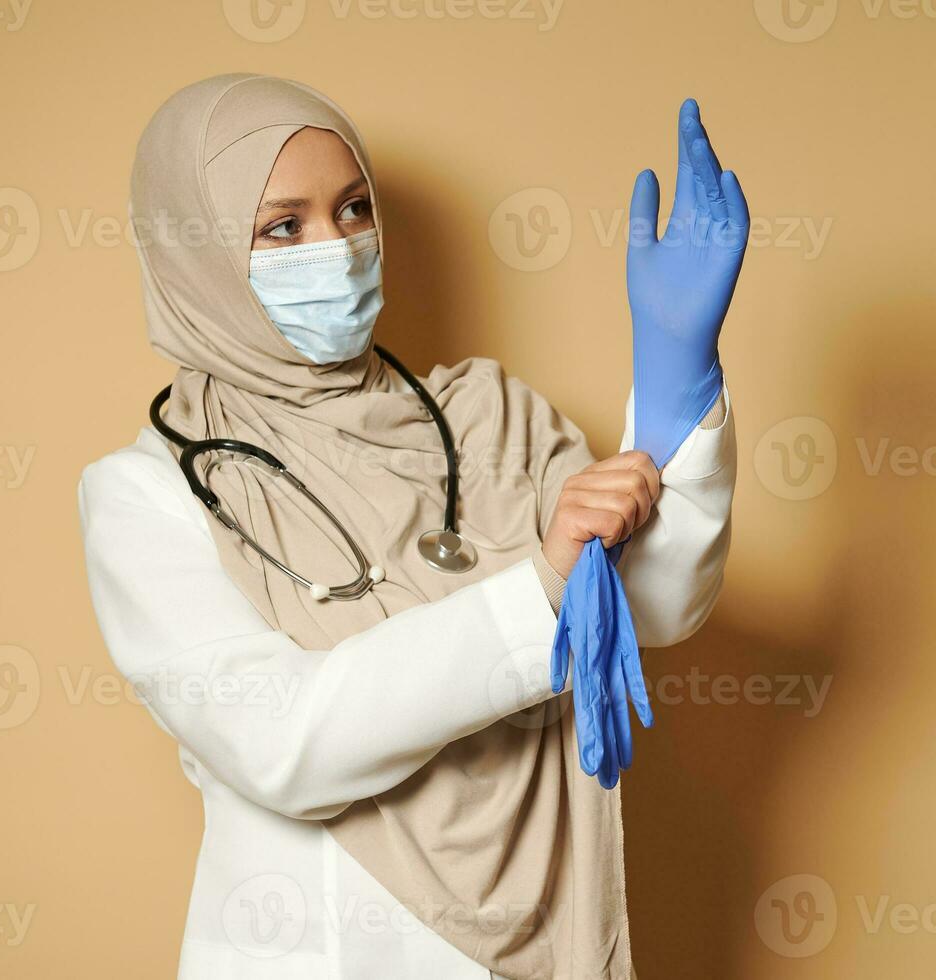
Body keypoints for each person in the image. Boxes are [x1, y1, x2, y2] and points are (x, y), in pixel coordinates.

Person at [78, 73, 741, 980]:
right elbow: (284, 745)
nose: (338, 248)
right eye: (284, 227)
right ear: (189, 249)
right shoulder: (146, 493)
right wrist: (537, 592)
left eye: (354, 209)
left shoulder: (489, 417)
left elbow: (651, 610)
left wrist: (675, 385)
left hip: (549, 939)